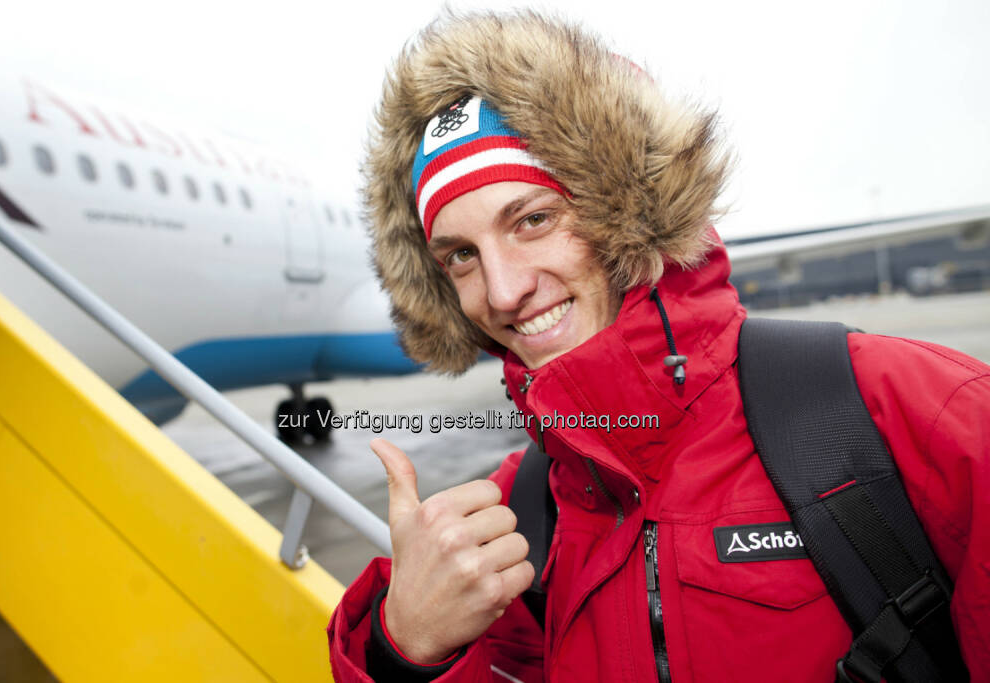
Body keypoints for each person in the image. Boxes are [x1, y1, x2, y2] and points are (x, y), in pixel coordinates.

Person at [328, 10, 990, 682]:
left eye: (533, 219)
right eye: (462, 256)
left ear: (633, 211)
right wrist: (403, 647)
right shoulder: (517, 518)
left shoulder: (913, 411)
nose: (501, 292)